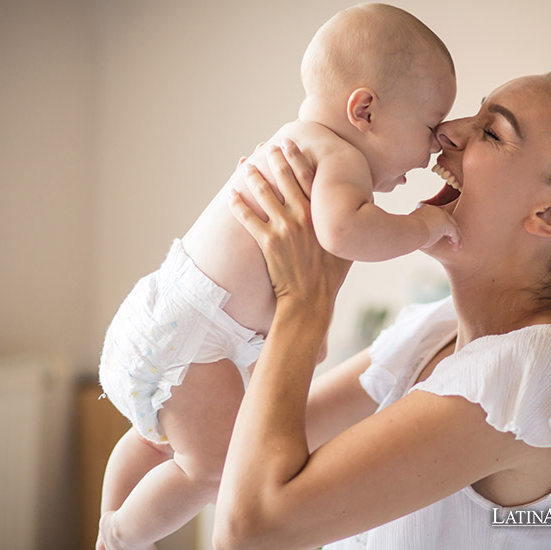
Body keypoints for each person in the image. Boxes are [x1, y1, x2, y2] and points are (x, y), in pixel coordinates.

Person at [214, 66, 551, 550]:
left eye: (492, 132)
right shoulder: (435, 330)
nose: (449, 130)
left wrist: (302, 306)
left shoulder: (534, 372)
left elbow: (251, 527)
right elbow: (223, 459)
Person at [95, 4, 458, 549]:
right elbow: (343, 233)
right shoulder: (338, 155)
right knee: (216, 469)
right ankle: (123, 534)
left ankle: (109, 522)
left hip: (172, 317)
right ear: (364, 110)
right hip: (199, 338)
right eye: (431, 125)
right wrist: (425, 224)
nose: (436, 145)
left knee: (159, 444)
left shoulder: (298, 140)